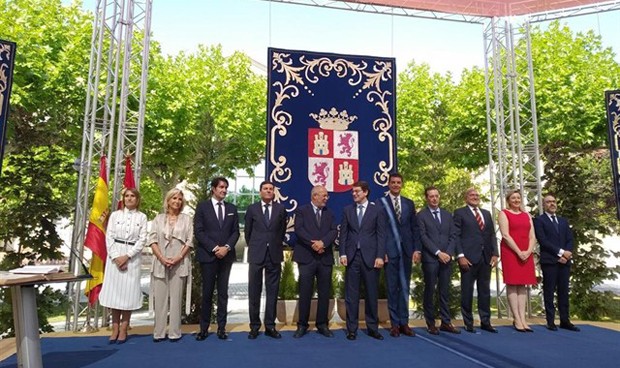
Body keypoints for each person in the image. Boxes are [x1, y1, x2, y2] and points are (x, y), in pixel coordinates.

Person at [194, 177, 240, 340]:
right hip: (208, 256)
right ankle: (204, 328)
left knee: (223, 293)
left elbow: (236, 232)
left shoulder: (232, 208)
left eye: (226, 187)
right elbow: (199, 231)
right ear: (213, 189)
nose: (224, 190)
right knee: (207, 293)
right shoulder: (203, 207)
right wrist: (214, 248)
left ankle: (221, 328)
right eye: (221, 187)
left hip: (226, 257)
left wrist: (226, 248)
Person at [99, 188, 147, 344]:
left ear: (137, 199)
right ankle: (114, 328)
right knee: (115, 294)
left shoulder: (142, 217)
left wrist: (127, 256)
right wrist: (115, 256)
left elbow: (142, 239)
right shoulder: (115, 215)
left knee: (128, 294)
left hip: (132, 257)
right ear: (123, 198)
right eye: (127, 196)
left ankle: (124, 328)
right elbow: (109, 236)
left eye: (133, 196)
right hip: (115, 256)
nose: (129, 198)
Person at [339, 180, 386, 340]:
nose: (354, 194)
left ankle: (372, 327)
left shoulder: (377, 210)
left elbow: (381, 234)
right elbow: (343, 234)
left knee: (371, 294)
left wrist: (380, 255)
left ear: (365, 192)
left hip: (371, 258)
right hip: (352, 257)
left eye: (357, 191)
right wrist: (343, 253)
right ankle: (351, 329)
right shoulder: (347, 210)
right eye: (353, 192)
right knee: (351, 295)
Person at [376, 172, 421, 337]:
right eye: (393, 182)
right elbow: (379, 230)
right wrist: (382, 252)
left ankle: (405, 323)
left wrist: (417, 249)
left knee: (404, 287)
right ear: (388, 185)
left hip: (407, 251)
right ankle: (394, 324)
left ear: (402, 185)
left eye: (398, 182)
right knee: (392, 288)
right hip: (390, 252)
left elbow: (414, 228)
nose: (396, 185)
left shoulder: (409, 203)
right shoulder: (381, 204)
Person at [148, 188, 193, 342]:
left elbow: (189, 241)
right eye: (174, 198)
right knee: (160, 299)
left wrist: (177, 258)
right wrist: (162, 258)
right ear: (168, 200)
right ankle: (159, 332)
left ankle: (175, 332)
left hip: (179, 263)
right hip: (161, 262)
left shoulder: (187, 219)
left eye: (179, 199)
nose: (177, 201)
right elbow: (152, 240)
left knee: (176, 299)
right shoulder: (158, 219)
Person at [293, 185, 338, 338]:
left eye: (327, 195)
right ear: (314, 196)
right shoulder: (301, 210)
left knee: (324, 292)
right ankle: (302, 325)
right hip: (306, 257)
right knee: (305, 291)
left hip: (324, 257)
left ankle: (322, 324)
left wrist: (322, 243)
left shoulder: (330, 213)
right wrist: (314, 244)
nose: (327, 198)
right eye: (324, 195)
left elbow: (333, 231)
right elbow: (299, 230)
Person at [245, 180, 287, 339]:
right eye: (265, 189)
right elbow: (248, 233)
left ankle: (270, 325)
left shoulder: (280, 209)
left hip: (274, 255)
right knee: (254, 291)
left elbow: (281, 231)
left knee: (272, 292)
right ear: (260, 191)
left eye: (271, 189)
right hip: (257, 254)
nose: (269, 191)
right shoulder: (252, 209)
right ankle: (254, 326)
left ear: (274, 192)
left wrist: (273, 244)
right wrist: (257, 245)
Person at [453, 188, 499, 333]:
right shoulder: (460, 213)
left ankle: (485, 321)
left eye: (477, 195)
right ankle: (468, 322)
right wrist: (460, 256)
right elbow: (456, 235)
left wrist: (495, 253)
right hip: (468, 258)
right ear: (466, 198)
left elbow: (491, 234)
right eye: (471, 195)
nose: (475, 197)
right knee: (467, 291)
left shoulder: (486, 213)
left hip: (485, 258)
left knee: (485, 291)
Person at [534, 194, 580, 332]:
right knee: (549, 291)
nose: (552, 204)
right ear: (544, 205)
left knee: (564, 291)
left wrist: (567, 253)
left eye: (554, 201)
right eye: (548, 202)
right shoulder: (539, 220)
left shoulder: (563, 221)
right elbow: (543, 240)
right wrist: (560, 253)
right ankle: (550, 321)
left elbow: (569, 239)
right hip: (550, 261)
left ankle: (565, 320)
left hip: (565, 261)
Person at [417, 186, 460, 335]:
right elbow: (423, 237)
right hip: (431, 259)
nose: (434, 199)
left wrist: (447, 253)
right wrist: (438, 253)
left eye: (436, 196)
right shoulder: (421, 216)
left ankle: (446, 322)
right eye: (431, 196)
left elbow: (453, 235)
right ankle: (431, 323)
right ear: (426, 198)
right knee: (430, 290)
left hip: (446, 259)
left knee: (444, 291)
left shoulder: (448, 215)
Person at [497, 189, 537, 332]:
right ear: (508, 200)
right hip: (511, 251)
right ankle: (517, 318)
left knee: (523, 285)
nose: (516, 200)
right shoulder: (504, 213)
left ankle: (523, 318)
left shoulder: (527, 215)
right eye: (513, 198)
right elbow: (506, 235)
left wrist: (528, 251)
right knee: (513, 284)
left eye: (518, 198)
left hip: (526, 252)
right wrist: (519, 252)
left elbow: (532, 236)